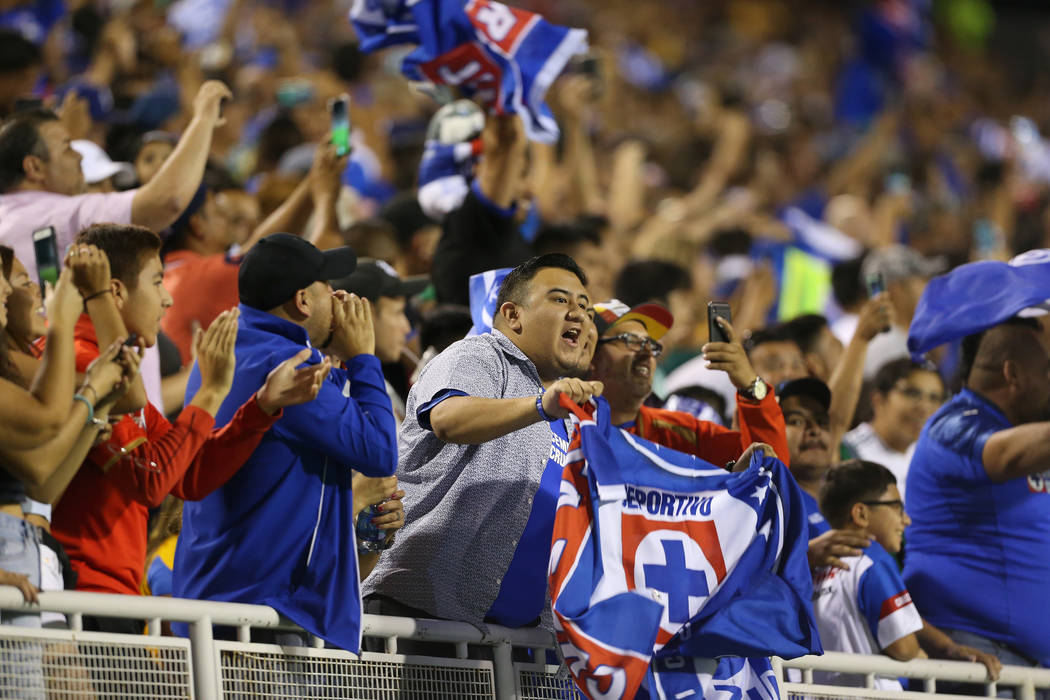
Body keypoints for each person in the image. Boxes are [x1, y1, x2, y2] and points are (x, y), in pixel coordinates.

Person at [50, 224, 328, 634]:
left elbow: (191, 473)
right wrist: (210, 394)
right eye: (158, 281)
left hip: (110, 594)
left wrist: (261, 408)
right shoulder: (81, 362)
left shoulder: (114, 371)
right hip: (81, 594)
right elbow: (151, 479)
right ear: (116, 291)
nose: (166, 298)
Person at [173, 233, 401, 652]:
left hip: (218, 599)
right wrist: (364, 358)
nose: (337, 297)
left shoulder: (238, 346)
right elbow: (379, 452)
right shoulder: (287, 362)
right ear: (302, 301)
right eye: (327, 288)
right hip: (264, 613)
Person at [363, 253, 601, 634]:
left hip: (518, 641)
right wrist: (541, 405)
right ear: (513, 315)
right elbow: (448, 418)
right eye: (560, 300)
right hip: (420, 621)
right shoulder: (479, 355)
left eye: (585, 307)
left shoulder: (573, 412)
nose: (579, 314)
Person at [904, 317, 1050, 674]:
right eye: (1047, 370)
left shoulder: (1028, 436)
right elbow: (1002, 456)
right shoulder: (953, 424)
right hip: (976, 663)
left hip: (1031, 666)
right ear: (1012, 374)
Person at [0, 81, 231, 281]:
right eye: (68, 148)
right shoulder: (56, 214)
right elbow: (166, 200)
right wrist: (203, 119)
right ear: (34, 167)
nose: (79, 155)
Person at [814, 460, 1000, 690]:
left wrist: (946, 646)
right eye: (897, 507)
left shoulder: (816, 568)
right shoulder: (874, 561)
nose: (906, 520)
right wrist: (919, 653)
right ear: (861, 514)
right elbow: (902, 647)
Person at [588, 298, 789, 466]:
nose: (647, 352)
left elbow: (771, 471)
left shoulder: (679, 432)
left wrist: (751, 388)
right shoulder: (564, 424)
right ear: (590, 357)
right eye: (629, 340)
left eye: (650, 344)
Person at [331, 259, 427, 421]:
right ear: (364, 314)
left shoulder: (377, 379)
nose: (407, 328)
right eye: (398, 312)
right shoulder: (341, 392)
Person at [843, 359, 945, 498]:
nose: (925, 407)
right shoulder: (849, 452)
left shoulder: (934, 457)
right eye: (913, 393)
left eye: (934, 398)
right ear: (878, 399)